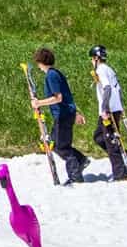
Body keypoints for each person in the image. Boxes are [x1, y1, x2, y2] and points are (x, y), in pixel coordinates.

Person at [30, 47, 91, 183]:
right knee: (56, 142)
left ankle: (76, 174)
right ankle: (81, 160)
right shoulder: (55, 73)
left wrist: (39, 103)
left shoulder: (51, 75)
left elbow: (59, 97)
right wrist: (75, 113)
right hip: (66, 114)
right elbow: (68, 96)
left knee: (60, 146)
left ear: (41, 62)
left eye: (38, 62)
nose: (38, 66)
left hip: (63, 115)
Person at [87, 46, 127, 182]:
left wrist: (105, 108)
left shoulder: (101, 69)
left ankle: (121, 174)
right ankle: (123, 154)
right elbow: (118, 89)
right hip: (114, 108)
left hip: (109, 110)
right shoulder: (109, 69)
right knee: (98, 137)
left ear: (96, 58)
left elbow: (107, 88)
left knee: (110, 141)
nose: (91, 62)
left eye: (91, 59)